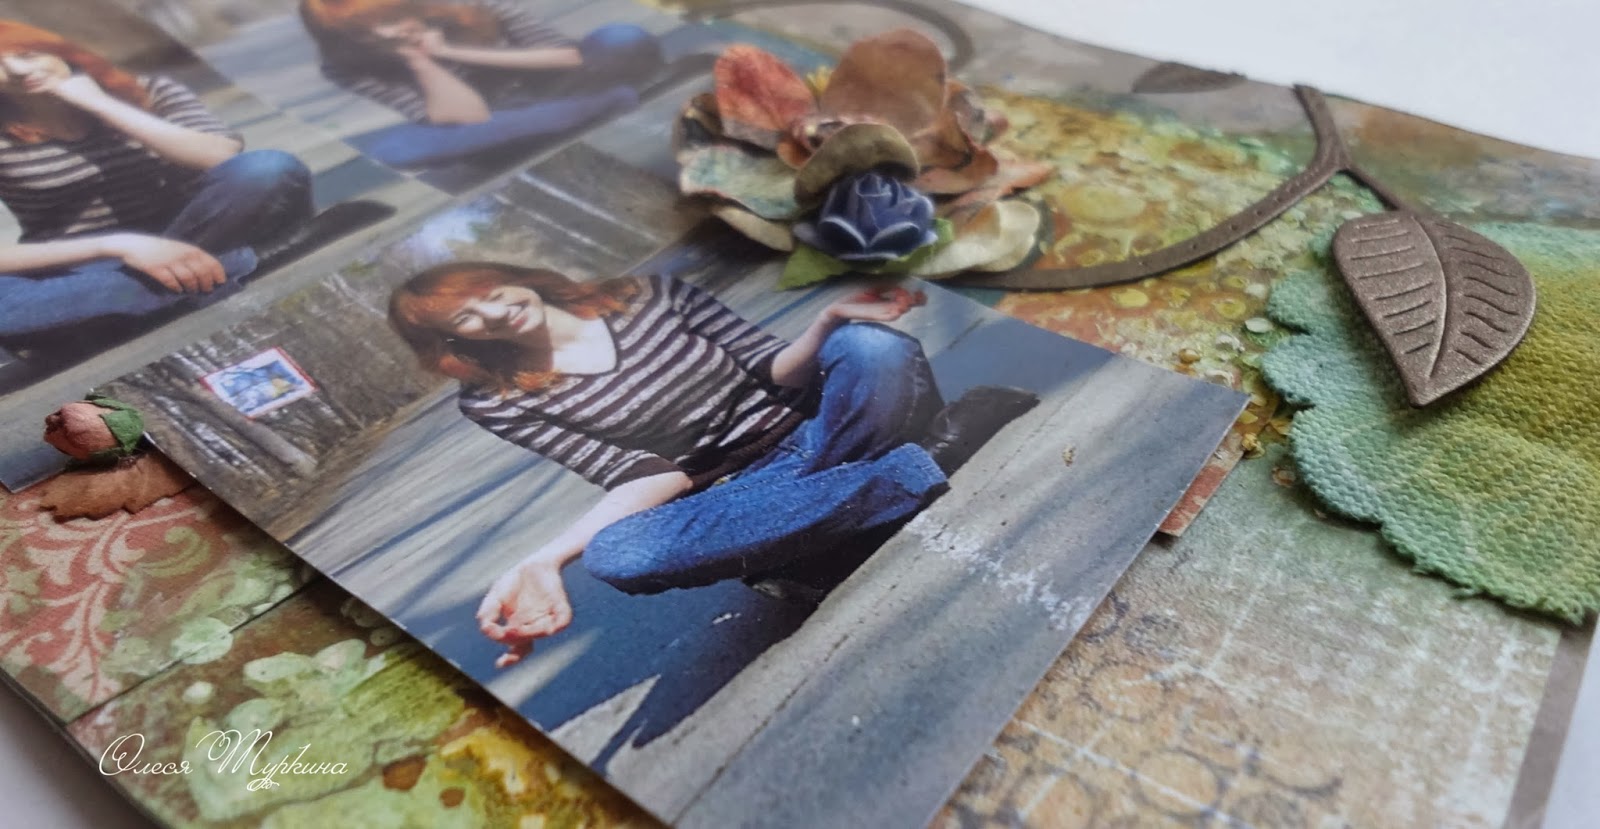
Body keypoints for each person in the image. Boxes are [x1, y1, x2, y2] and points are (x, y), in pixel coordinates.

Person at [389, 262, 1039, 667]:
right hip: (741, 489)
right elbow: (644, 474)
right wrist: (547, 558)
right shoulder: (495, 399)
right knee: (618, 553)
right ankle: (928, 457)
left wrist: (826, 321)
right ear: (455, 339)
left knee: (868, 346)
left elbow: (771, 367)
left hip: (830, 426)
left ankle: (812, 538)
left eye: (486, 291)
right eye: (467, 316)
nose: (494, 311)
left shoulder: (645, 296)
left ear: (507, 274)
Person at [0, 20, 319, 344]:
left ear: (59, 49)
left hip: (202, 227)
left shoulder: (147, 90)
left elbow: (217, 155)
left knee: (267, 168)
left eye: (27, 55)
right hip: (85, 262)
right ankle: (215, 270)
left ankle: (134, 302)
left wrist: (98, 102)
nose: (17, 71)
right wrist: (118, 245)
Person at [300, 0, 662, 169]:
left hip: (559, 84)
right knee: (393, 149)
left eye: (389, 17)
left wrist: (452, 51)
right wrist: (418, 59)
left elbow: (567, 57)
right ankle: (598, 106)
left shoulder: (470, 6)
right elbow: (468, 116)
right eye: (363, 31)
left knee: (620, 37)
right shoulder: (346, 65)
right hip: (491, 119)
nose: (386, 31)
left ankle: (553, 123)